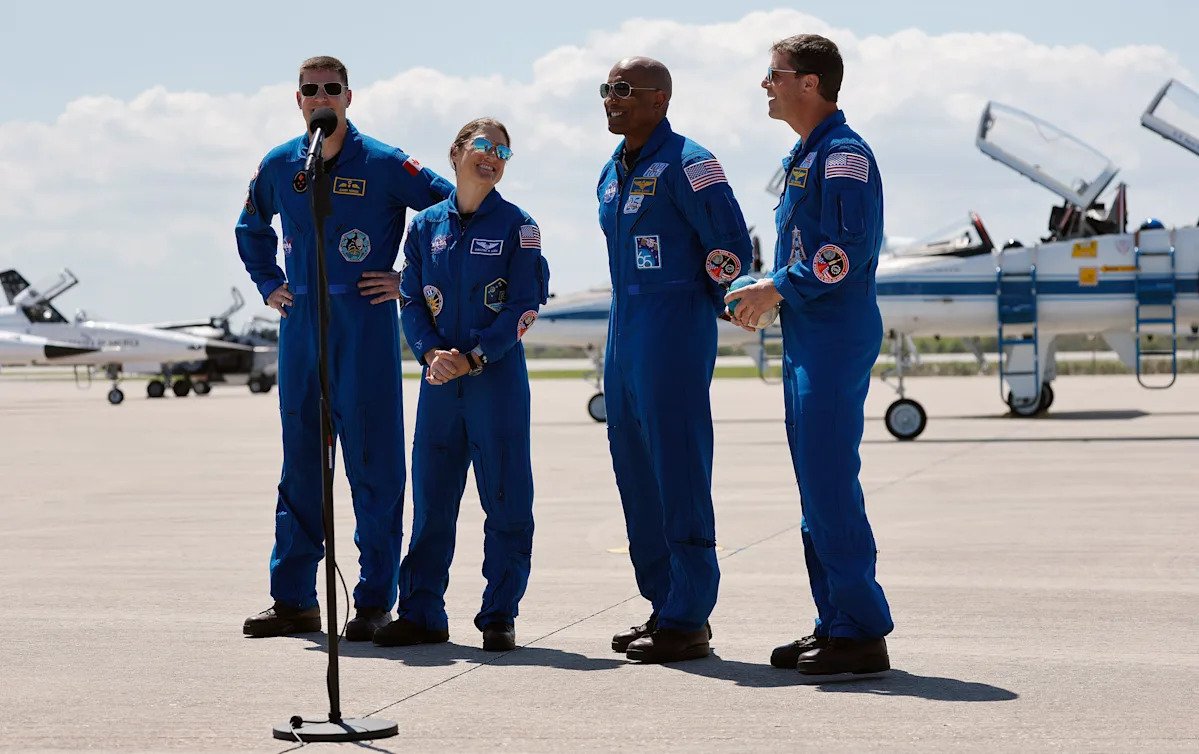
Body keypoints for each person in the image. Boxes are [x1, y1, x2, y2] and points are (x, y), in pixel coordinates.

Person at [236, 56, 453, 641]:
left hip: (364, 322)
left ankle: (375, 599)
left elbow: (452, 209)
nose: (321, 97)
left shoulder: (384, 162)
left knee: (373, 463)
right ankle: (293, 599)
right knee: (301, 464)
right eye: (311, 89)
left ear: (349, 97)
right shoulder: (281, 164)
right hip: (301, 322)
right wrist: (268, 283)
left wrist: (408, 279)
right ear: (298, 100)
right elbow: (250, 227)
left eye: (332, 88)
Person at [725, 34, 894, 678]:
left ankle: (862, 631)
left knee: (829, 481)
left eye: (774, 74)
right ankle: (835, 621)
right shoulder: (806, 156)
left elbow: (843, 253)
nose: (765, 85)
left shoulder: (844, 157)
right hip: (808, 333)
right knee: (815, 487)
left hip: (834, 333)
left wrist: (775, 289)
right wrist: (766, 290)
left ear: (810, 83)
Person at [371, 118, 549, 652]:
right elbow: (410, 299)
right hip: (439, 385)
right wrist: (431, 353)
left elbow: (524, 307)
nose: (492, 157)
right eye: (484, 146)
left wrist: (474, 357)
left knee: (506, 500)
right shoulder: (425, 226)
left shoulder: (520, 227)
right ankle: (422, 611)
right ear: (456, 152)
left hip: (496, 383)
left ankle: (499, 614)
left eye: (503, 152)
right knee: (431, 503)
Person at [597, 57, 754, 663]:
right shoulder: (611, 170)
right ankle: (664, 605)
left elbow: (729, 247)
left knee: (678, 467)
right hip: (625, 330)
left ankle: (690, 616)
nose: (611, 99)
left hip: (674, 327)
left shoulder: (692, 163)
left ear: (659, 98)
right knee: (634, 470)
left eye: (622, 89)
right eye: (606, 89)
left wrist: (710, 304)